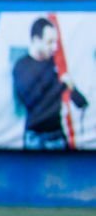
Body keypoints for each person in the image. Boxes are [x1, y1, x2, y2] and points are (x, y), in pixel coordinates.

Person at [12, 17, 87, 150]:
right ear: (36, 40)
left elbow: (81, 103)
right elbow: (34, 101)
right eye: (49, 42)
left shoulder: (55, 64)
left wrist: (71, 87)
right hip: (35, 139)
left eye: (55, 42)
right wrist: (61, 86)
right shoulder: (22, 66)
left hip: (57, 137)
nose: (54, 47)